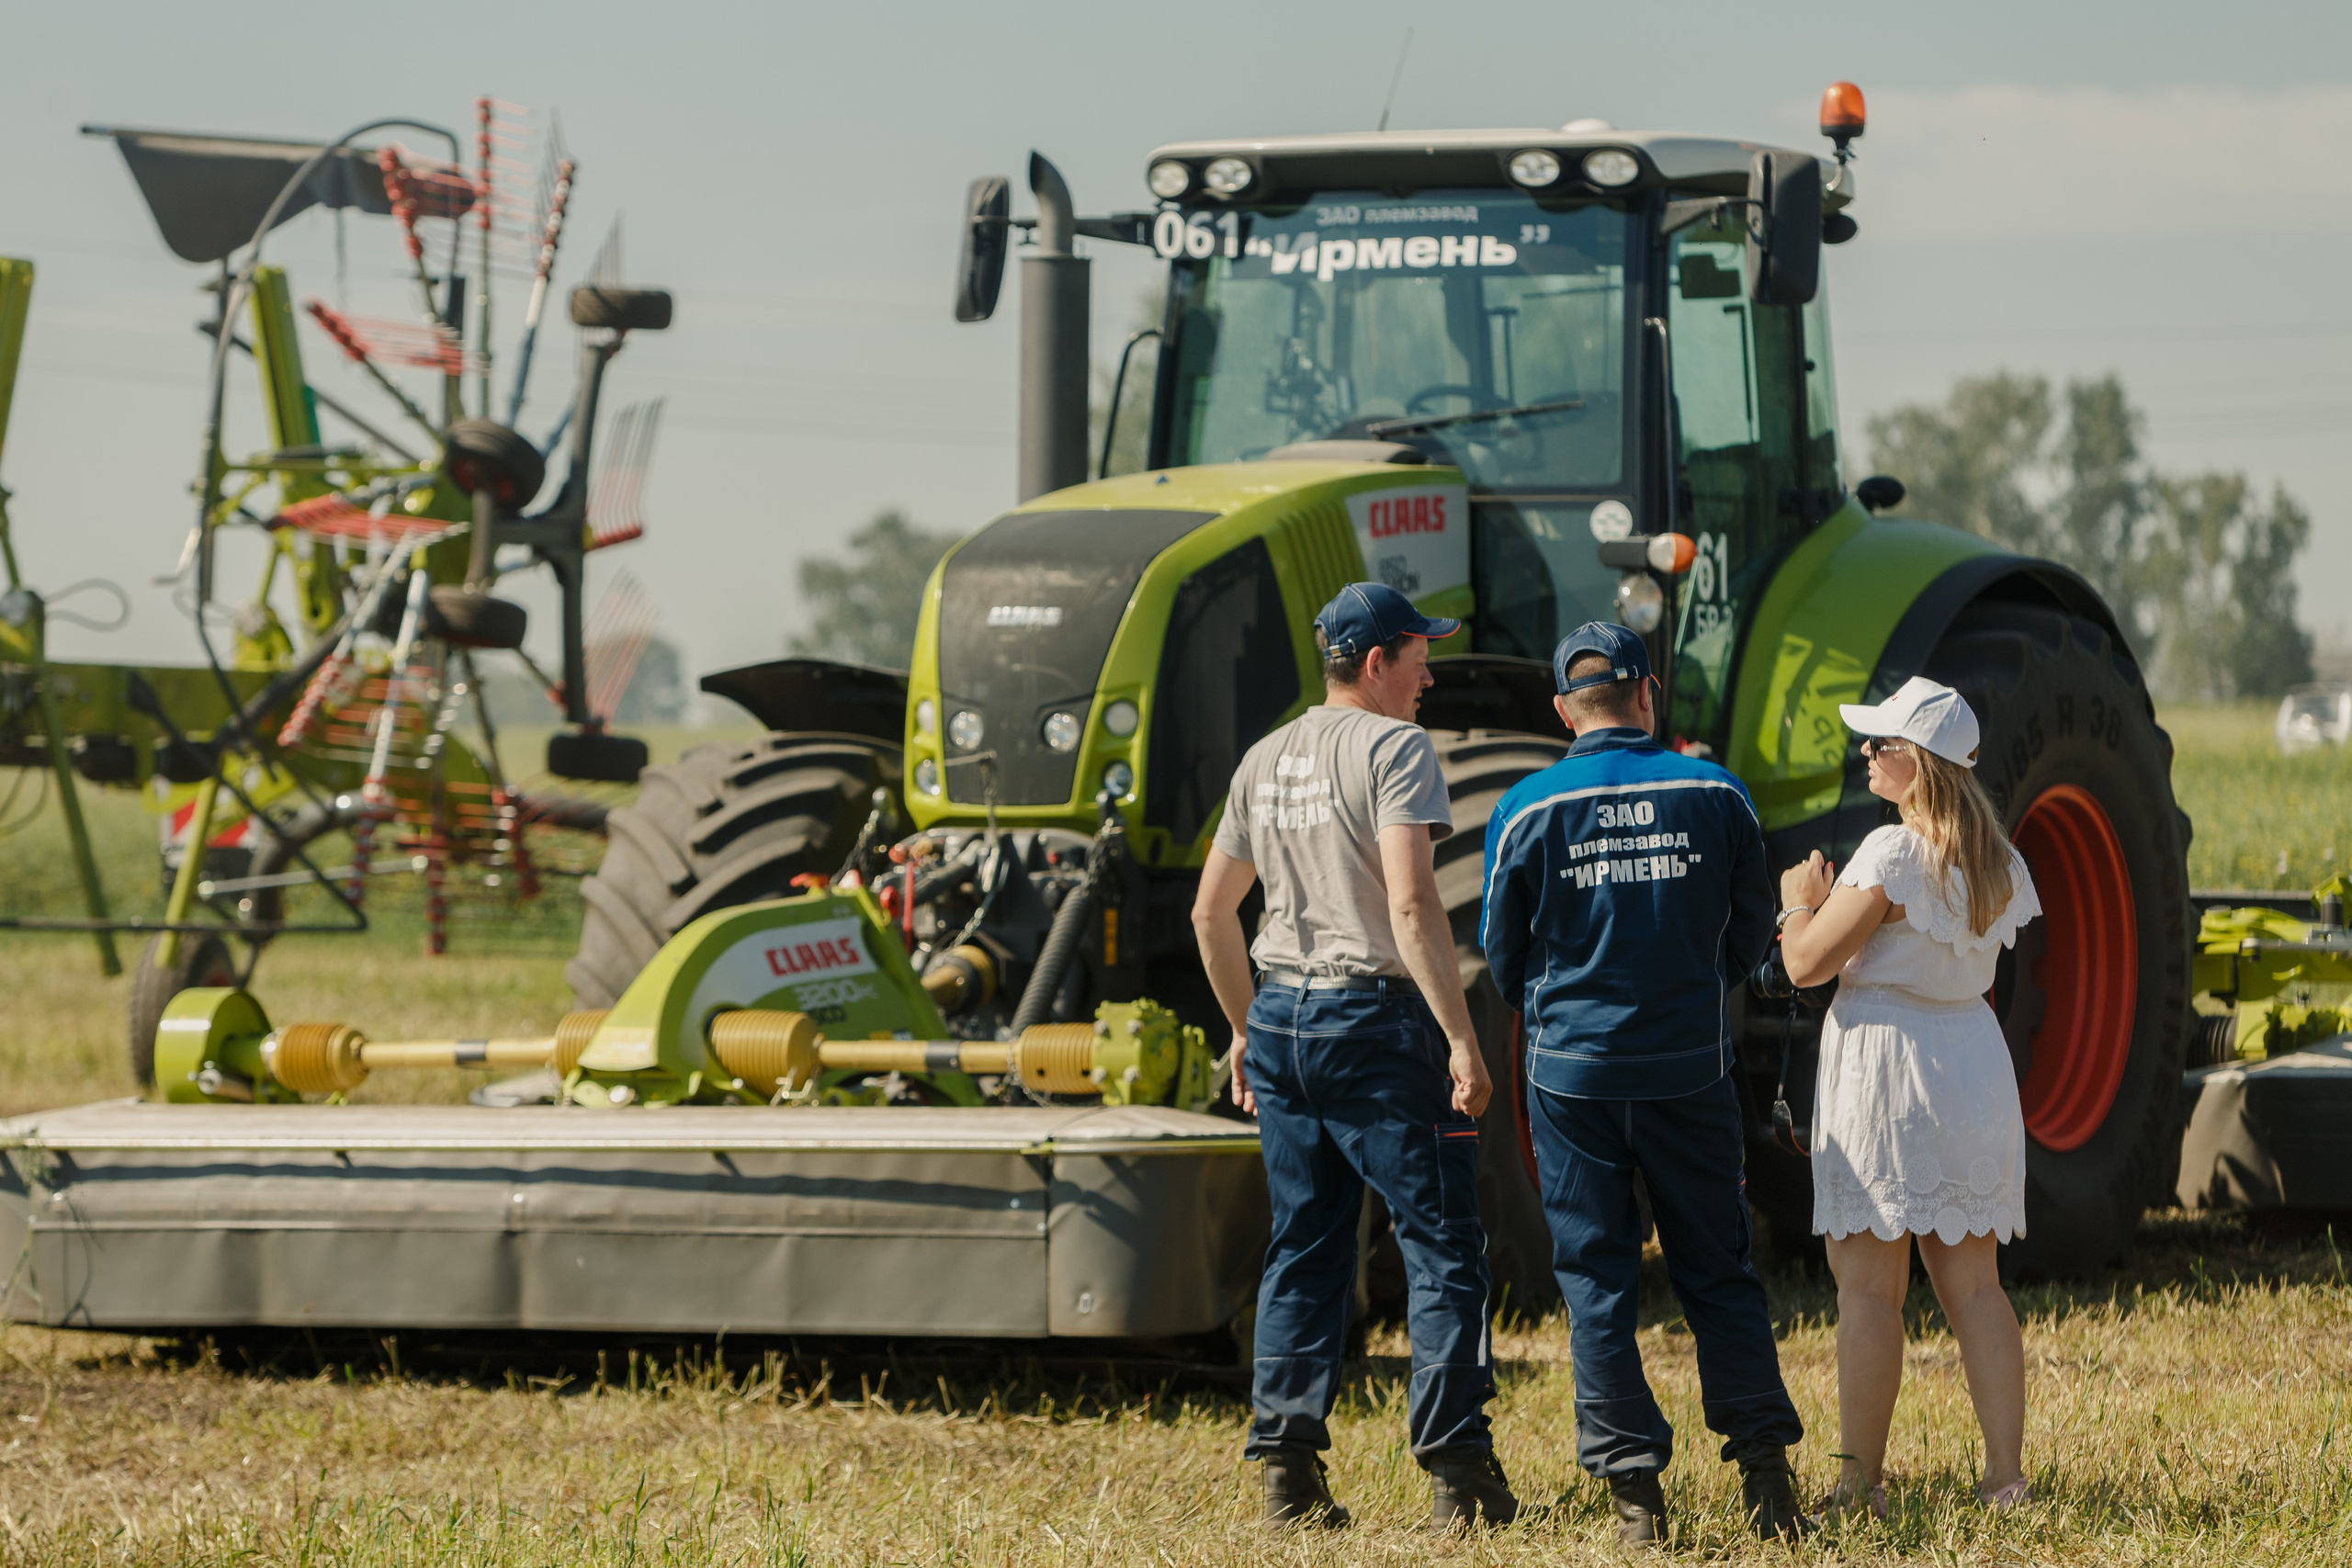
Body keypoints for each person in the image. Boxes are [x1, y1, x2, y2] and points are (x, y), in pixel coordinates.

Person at [1192, 581, 1529, 1533]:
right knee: (1441, 1245)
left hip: (1284, 1021)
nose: (1429, 673)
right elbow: (1414, 908)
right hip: (1374, 1022)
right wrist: (1462, 1037)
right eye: (1419, 655)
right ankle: (1459, 1474)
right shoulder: (1394, 749)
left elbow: (1211, 912)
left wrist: (1243, 1032)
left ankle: (1287, 1476)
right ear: (1375, 662)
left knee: (1304, 1243)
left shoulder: (1263, 757)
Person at [1480, 623, 1811, 1548]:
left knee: (1595, 1281)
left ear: (1561, 709)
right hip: (1686, 1072)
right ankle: (1766, 1482)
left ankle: (1634, 1499)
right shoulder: (1716, 795)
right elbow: (1752, 934)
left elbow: (1504, 958)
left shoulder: (1524, 809)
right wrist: (1698, 993)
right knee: (1717, 1268)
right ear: (1649, 693)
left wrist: (1564, 1014)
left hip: (1571, 1079)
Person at [1773, 675, 2041, 1519]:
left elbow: (1806, 963)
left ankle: (1860, 1485)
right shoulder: (2000, 857)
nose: (1868, 753)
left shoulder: (1888, 855)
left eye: (1883, 743)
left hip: (1888, 1066)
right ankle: (2006, 1477)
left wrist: (1794, 907)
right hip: (1969, 1060)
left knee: (1867, 1290)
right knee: (1977, 1287)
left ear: (1920, 763)